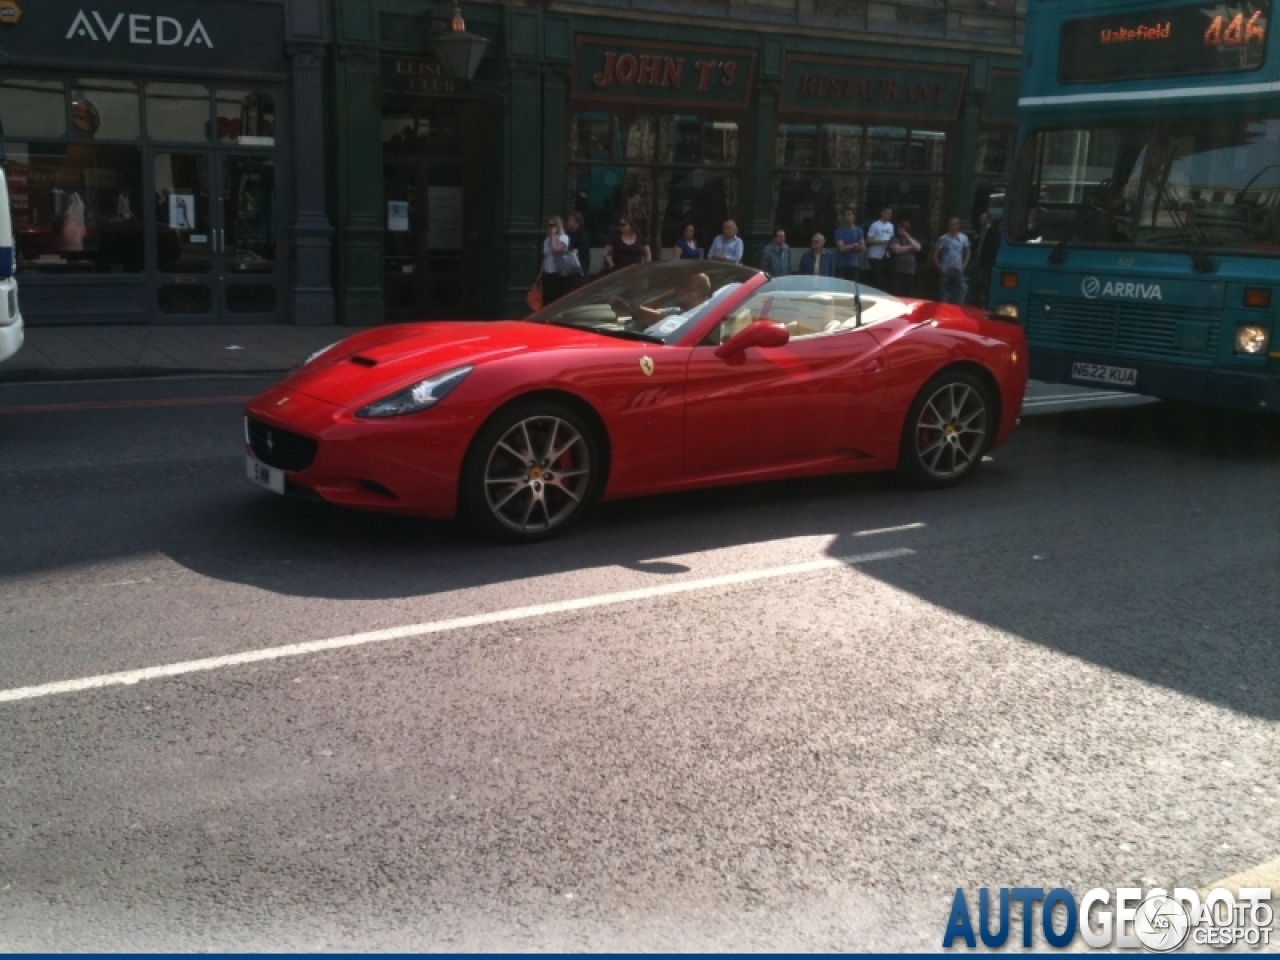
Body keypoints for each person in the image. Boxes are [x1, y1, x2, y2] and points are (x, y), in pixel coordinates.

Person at [933, 216, 971, 305]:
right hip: (946, 269)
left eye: (956, 224)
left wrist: (964, 266)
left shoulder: (963, 238)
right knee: (944, 293)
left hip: (958, 269)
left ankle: (958, 308)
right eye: (952, 224)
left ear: (958, 225)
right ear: (949, 225)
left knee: (962, 289)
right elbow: (935, 254)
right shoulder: (943, 239)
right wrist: (940, 267)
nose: (954, 226)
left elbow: (968, 252)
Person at [539, 215, 575, 304]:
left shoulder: (564, 238)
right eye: (548, 225)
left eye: (552, 225)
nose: (550, 228)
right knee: (546, 299)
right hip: (547, 272)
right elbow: (546, 256)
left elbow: (555, 250)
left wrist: (553, 235)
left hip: (558, 273)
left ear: (558, 226)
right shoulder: (547, 239)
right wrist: (540, 273)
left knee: (555, 299)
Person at [969, 212, 999, 307]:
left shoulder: (994, 232)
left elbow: (993, 246)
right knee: (975, 281)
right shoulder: (979, 231)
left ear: (988, 220)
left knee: (984, 282)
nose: (981, 220)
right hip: (977, 257)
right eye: (981, 218)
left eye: (983, 218)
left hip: (986, 260)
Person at [887, 220, 921, 297]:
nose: (900, 230)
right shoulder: (894, 238)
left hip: (910, 270)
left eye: (902, 228)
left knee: (908, 291)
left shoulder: (911, 239)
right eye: (899, 228)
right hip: (898, 270)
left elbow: (918, 248)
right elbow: (897, 250)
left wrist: (907, 236)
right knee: (897, 291)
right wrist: (910, 247)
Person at [865, 206, 895, 289]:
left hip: (886, 255)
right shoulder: (875, 225)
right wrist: (882, 242)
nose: (889, 215)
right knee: (876, 277)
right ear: (882, 213)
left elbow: (892, 238)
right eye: (887, 213)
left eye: (890, 214)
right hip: (875, 255)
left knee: (886, 276)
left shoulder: (891, 226)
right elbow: (868, 240)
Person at [833, 207, 864, 282]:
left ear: (854, 216)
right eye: (845, 215)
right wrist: (854, 245)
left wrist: (847, 247)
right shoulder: (839, 231)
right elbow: (841, 249)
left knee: (853, 288)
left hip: (854, 265)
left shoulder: (859, 230)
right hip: (841, 265)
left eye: (849, 215)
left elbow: (862, 247)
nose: (847, 217)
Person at [565, 211, 592, 285]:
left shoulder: (582, 235)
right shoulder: (567, 234)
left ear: (577, 223)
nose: (568, 222)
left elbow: (582, 250)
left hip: (580, 270)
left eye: (570, 220)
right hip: (568, 270)